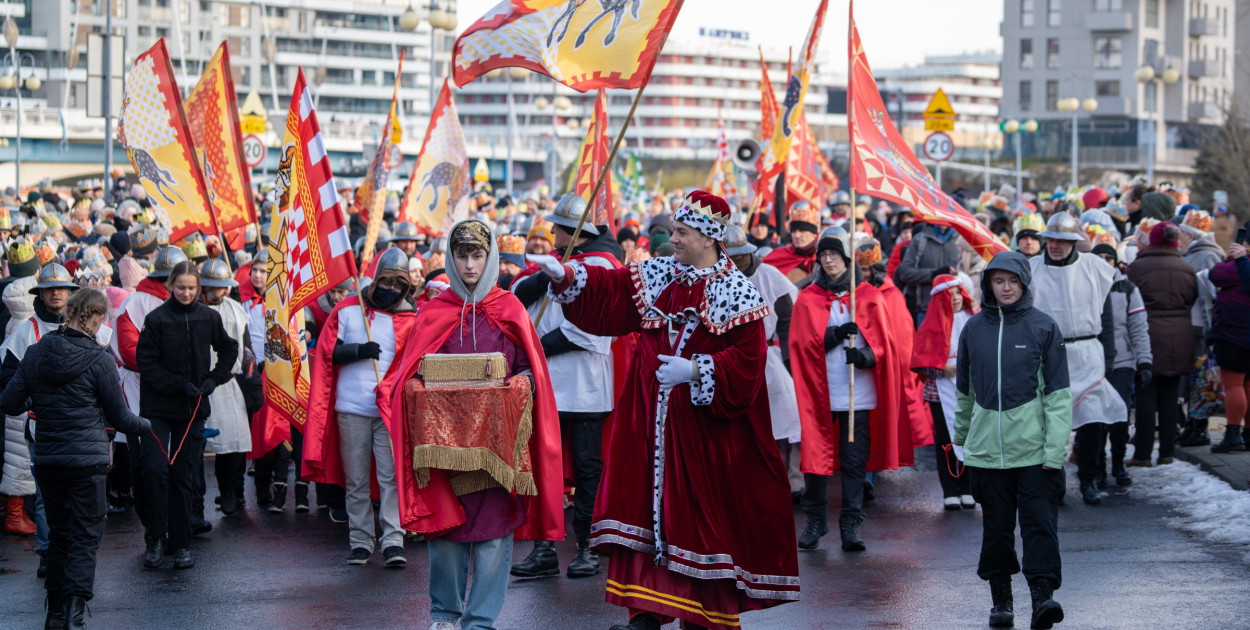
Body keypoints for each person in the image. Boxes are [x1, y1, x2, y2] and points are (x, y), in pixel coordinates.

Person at [530, 190, 799, 630]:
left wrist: (696, 370)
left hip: (703, 437)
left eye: (682, 232)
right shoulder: (660, 275)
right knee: (646, 519)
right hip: (649, 427)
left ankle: (703, 617)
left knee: (697, 526)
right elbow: (613, 295)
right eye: (674, 230)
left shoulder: (739, 293)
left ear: (709, 238)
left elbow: (749, 367)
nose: (672, 239)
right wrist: (568, 276)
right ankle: (646, 614)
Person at [386, 219, 563, 630]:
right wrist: (413, 389)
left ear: (491, 258)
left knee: (494, 537)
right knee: (446, 534)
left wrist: (520, 383)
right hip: (445, 449)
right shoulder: (434, 310)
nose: (469, 265)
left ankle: (480, 620)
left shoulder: (510, 308)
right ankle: (445, 614)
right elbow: (408, 375)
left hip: (495, 450)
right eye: (462, 256)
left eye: (477, 256)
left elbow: (531, 371)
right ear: (451, 258)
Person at [0, 288, 149, 629]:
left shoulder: (36, 353)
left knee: (60, 537)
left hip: (50, 459)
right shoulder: (99, 360)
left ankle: (54, 614)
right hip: (88, 462)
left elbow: (9, 402)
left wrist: (36, 403)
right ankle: (75, 613)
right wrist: (149, 425)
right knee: (83, 537)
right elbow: (121, 418)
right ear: (97, 319)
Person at [954, 251, 1071, 630]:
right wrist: (961, 441)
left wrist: (1055, 449)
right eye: (998, 281)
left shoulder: (1044, 327)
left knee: (1040, 527)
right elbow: (965, 393)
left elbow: (1057, 397)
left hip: (1035, 453)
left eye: (1013, 281)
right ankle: (1001, 601)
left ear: (1024, 283)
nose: (1006, 288)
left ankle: (1042, 598)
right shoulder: (973, 329)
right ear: (988, 284)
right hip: (987, 453)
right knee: (997, 531)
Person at [510, 194, 620, 580]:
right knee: (545, 467)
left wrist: (538, 347)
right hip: (549, 386)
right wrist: (540, 280)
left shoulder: (603, 268)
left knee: (588, 469)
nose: (552, 233)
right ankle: (544, 549)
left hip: (587, 387)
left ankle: (587, 548)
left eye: (557, 228)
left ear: (571, 232)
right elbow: (517, 305)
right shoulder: (552, 268)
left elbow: (590, 333)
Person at [789, 226, 905, 552]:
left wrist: (865, 356)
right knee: (815, 461)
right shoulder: (809, 298)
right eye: (823, 255)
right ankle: (816, 520)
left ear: (845, 257)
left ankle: (851, 524)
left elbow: (885, 346)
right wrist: (835, 336)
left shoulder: (867, 295)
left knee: (854, 461)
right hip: (819, 394)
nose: (828, 261)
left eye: (833, 254)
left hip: (858, 395)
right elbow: (799, 346)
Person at [303, 247, 417, 567]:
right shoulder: (347, 309)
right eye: (387, 282)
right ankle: (361, 540)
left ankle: (394, 539)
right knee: (355, 478)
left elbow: (412, 365)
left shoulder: (410, 317)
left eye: (399, 285)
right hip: (351, 407)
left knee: (390, 475)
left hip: (389, 410)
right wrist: (358, 350)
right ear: (375, 278)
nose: (391, 289)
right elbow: (328, 353)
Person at [135, 260, 238, 570]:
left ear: (199, 288)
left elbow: (229, 348)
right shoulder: (156, 319)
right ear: (170, 286)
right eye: (181, 287)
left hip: (192, 410)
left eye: (192, 288)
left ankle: (181, 544)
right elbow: (146, 363)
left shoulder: (209, 316)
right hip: (158, 408)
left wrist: (214, 378)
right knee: (154, 471)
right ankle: (156, 538)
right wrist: (179, 384)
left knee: (183, 476)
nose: (186, 293)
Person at [1028, 213, 1125, 505]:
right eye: (1051, 240)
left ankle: (1089, 480)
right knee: (1049, 424)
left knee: (1092, 422)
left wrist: (1108, 355)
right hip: (1047, 356)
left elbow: (1106, 316)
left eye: (1062, 240)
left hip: (1087, 354)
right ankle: (1054, 484)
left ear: (1073, 242)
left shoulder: (1095, 267)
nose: (1055, 245)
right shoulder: (1031, 269)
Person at [2, 263, 96, 547]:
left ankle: (74, 551)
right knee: (45, 495)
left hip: (79, 427)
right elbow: (8, 379)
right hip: (42, 428)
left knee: (80, 494)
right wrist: (36, 402)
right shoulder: (25, 331)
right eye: (49, 289)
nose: (56, 293)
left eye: (61, 288)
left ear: (70, 292)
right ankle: (47, 551)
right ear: (40, 294)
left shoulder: (84, 327)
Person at [725, 225, 803, 500]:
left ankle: (789, 481)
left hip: (768, 358)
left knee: (783, 422)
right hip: (731, 359)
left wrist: (788, 361)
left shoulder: (769, 276)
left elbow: (787, 320)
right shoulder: (718, 277)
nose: (733, 263)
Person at [1125, 222, 1197, 466]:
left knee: (1145, 396)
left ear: (1152, 241)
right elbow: (1192, 298)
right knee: (1170, 397)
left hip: (1148, 334)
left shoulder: (1137, 268)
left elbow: (1128, 300)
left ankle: (1143, 454)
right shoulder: (1187, 268)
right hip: (1180, 338)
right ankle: (1167, 452)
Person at [911, 275, 976, 509]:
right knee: (945, 438)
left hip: (971, 387)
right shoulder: (930, 325)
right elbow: (920, 361)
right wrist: (942, 369)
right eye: (950, 295)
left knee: (971, 435)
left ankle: (968, 487)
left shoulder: (975, 320)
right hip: (939, 389)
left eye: (959, 293)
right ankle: (950, 489)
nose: (956, 298)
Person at [1092, 244, 1152, 487]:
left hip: (1122, 362)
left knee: (1119, 417)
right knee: (1094, 421)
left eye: (1110, 258)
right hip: (1092, 363)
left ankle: (1118, 463)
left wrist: (1144, 360)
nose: (1106, 261)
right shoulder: (1083, 286)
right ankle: (1096, 467)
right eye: (1100, 257)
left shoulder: (1127, 289)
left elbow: (1139, 328)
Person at [197, 259, 252, 516]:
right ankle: (196, 502)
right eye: (213, 287)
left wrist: (251, 374)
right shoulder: (195, 309)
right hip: (201, 384)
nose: (220, 292)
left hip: (229, 382)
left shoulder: (235, 309)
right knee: (196, 446)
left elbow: (245, 344)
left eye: (222, 287)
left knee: (233, 443)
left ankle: (229, 490)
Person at [1209, 242, 1250, 452]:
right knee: (1248, 385)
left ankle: (1233, 433)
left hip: (1235, 332)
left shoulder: (1241, 264)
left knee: (1233, 383)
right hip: (1241, 332)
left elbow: (1215, 274)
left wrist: (1234, 257)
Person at [895, 222, 963, 323]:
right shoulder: (920, 240)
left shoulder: (961, 240)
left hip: (957, 309)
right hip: (927, 308)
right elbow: (904, 272)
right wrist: (933, 274)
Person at [763, 201, 821, 283]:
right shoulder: (779, 255)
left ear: (814, 234)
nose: (796, 235)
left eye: (802, 231)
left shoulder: (826, 256)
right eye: (793, 231)